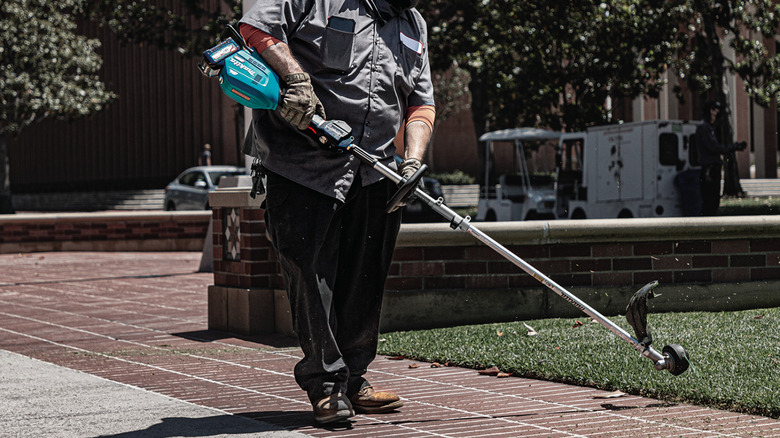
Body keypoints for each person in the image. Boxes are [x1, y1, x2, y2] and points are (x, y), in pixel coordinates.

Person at [239, 0, 435, 424]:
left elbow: (421, 102)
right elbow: (254, 28)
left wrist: (413, 160)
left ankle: (353, 378)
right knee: (311, 277)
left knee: (365, 279)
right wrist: (294, 77)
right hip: (304, 167)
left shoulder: (412, 21)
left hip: (376, 170)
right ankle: (325, 385)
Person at [696, 101, 746, 216]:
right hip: (709, 169)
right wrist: (734, 146)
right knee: (710, 200)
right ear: (709, 112)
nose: (716, 115)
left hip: (713, 168)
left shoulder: (709, 128)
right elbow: (714, 147)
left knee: (714, 200)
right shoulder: (704, 128)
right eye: (714, 112)